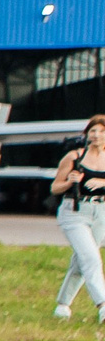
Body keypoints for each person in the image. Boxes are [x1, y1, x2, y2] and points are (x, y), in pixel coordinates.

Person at [51, 115, 105, 322]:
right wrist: (69, 182)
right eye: (93, 131)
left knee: (81, 260)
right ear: (87, 134)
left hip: (101, 212)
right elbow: (55, 187)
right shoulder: (74, 157)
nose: (97, 135)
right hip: (75, 212)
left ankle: (62, 306)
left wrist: (101, 183)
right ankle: (102, 306)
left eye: (101, 131)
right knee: (91, 258)